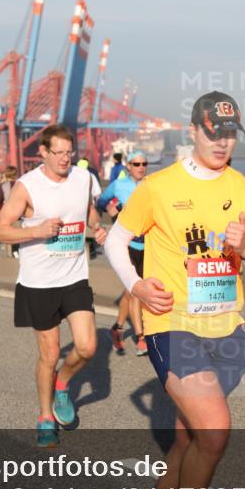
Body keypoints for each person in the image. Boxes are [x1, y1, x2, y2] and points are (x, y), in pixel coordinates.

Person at [106, 92, 245, 489]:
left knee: (188, 437)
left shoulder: (244, 190)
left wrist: (244, 249)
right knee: (216, 430)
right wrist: (136, 286)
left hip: (226, 329)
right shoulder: (159, 187)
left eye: (229, 134)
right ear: (194, 130)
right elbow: (117, 240)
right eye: (212, 132)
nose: (221, 142)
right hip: (172, 323)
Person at [0, 124, 105, 449]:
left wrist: (97, 227)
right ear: (43, 152)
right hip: (38, 283)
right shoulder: (27, 187)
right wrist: (36, 231)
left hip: (74, 277)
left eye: (70, 153)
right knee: (50, 353)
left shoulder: (83, 178)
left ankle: (63, 384)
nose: (65, 159)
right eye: (59, 153)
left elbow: (88, 209)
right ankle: (45, 416)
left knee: (87, 347)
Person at [96, 149, 149, 356]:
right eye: (136, 164)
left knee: (130, 291)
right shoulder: (119, 185)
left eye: (144, 163)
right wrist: (110, 207)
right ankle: (141, 337)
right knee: (135, 290)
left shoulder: (151, 185)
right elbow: (100, 202)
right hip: (127, 245)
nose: (141, 167)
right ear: (128, 166)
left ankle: (117, 329)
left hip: (148, 245)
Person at [0, 166, 20, 257]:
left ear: (6, 174)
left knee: (7, 232)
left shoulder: (2, 186)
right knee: (17, 232)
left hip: (6, 213)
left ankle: (11, 251)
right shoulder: (20, 185)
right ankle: (16, 249)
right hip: (18, 213)